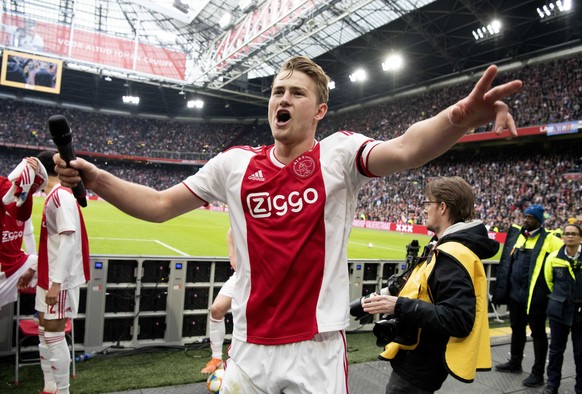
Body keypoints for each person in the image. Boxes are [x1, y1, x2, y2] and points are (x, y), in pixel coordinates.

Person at [54, 56, 522, 393]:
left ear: (319, 111)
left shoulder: (339, 154)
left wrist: (460, 115)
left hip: (316, 347)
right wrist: (98, 177)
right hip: (250, 347)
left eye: (297, 92)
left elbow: (406, 148)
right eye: (278, 90)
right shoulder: (232, 165)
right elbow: (157, 204)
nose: (283, 98)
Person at [361, 176, 497, 393]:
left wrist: (398, 305)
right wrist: (382, 297)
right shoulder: (445, 246)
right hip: (417, 359)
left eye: (427, 203)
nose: (423, 209)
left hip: (421, 366)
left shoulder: (454, 254)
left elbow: (458, 320)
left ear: (442, 207)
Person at [35, 151, 90, 394]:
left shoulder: (61, 197)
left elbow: (68, 240)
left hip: (60, 280)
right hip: (47, 276)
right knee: (44, 330)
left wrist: (56, 283)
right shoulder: (53, 196)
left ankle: (63, 391)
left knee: (54, 333)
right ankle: (50, 387)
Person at [492, 204, 563, 387]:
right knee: (517, 329)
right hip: (516, 296)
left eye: (530, 218)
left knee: (538, 334)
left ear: (539, 220)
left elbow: (564, 259)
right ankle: (515, 363)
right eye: (524, 217)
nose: (525, 220)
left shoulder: (551, 240)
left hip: (537, 299)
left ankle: (537, 373)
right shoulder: (520, 238)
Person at [0, 157, 47, 309]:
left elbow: (21, 214)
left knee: (53, 266)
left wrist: (26, 188)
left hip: (12, 265)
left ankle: (42, 318)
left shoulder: (2, 185)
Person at [543, 224, 582, 394]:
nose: (570, 236)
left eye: (573, 234)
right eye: (567, 234)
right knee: (556, 351)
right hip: (559, 311)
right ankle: (552, 386)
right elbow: (548, 282)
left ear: (580, 238)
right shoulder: (553, 257)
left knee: (581, 354)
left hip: (580, 313)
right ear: (563, 237)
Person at [200, 228, 236, 374]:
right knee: (216, 309)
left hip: (269, 273)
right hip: (244, 273)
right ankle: (216, 359)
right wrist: (232, 255)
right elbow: (231, 231)